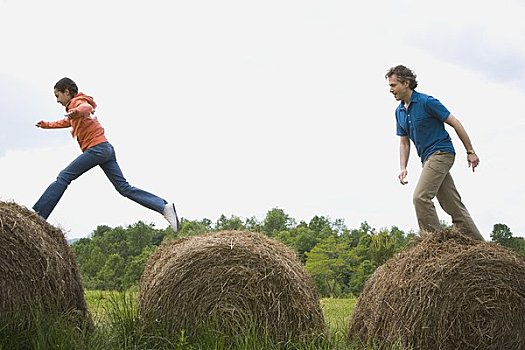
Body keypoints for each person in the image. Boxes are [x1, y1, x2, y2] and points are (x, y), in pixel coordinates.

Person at [33, 77, 180, 232]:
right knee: (124, 188)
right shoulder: (73, 110)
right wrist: (46, 125)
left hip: (97, 149)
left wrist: (75, 111)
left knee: (64, 177)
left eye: (57, 95)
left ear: (67, 92)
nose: (57, 100)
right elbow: (67, 122)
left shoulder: (78, 102)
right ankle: (163, 207)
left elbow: (86, 107)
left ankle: (38, 215)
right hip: (105, 149)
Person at [386, 65, 484, 241]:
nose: (390, 90)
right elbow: (404, 141)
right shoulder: (399, 111)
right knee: (453, 206)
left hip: (441, 153)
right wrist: (403, 167)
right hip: (427, 159)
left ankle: (433, 244)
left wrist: (470, 151)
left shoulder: (426, 102)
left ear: (406, 83)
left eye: (393, 85)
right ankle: (481, 246)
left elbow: (455, 122)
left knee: (420, 197)